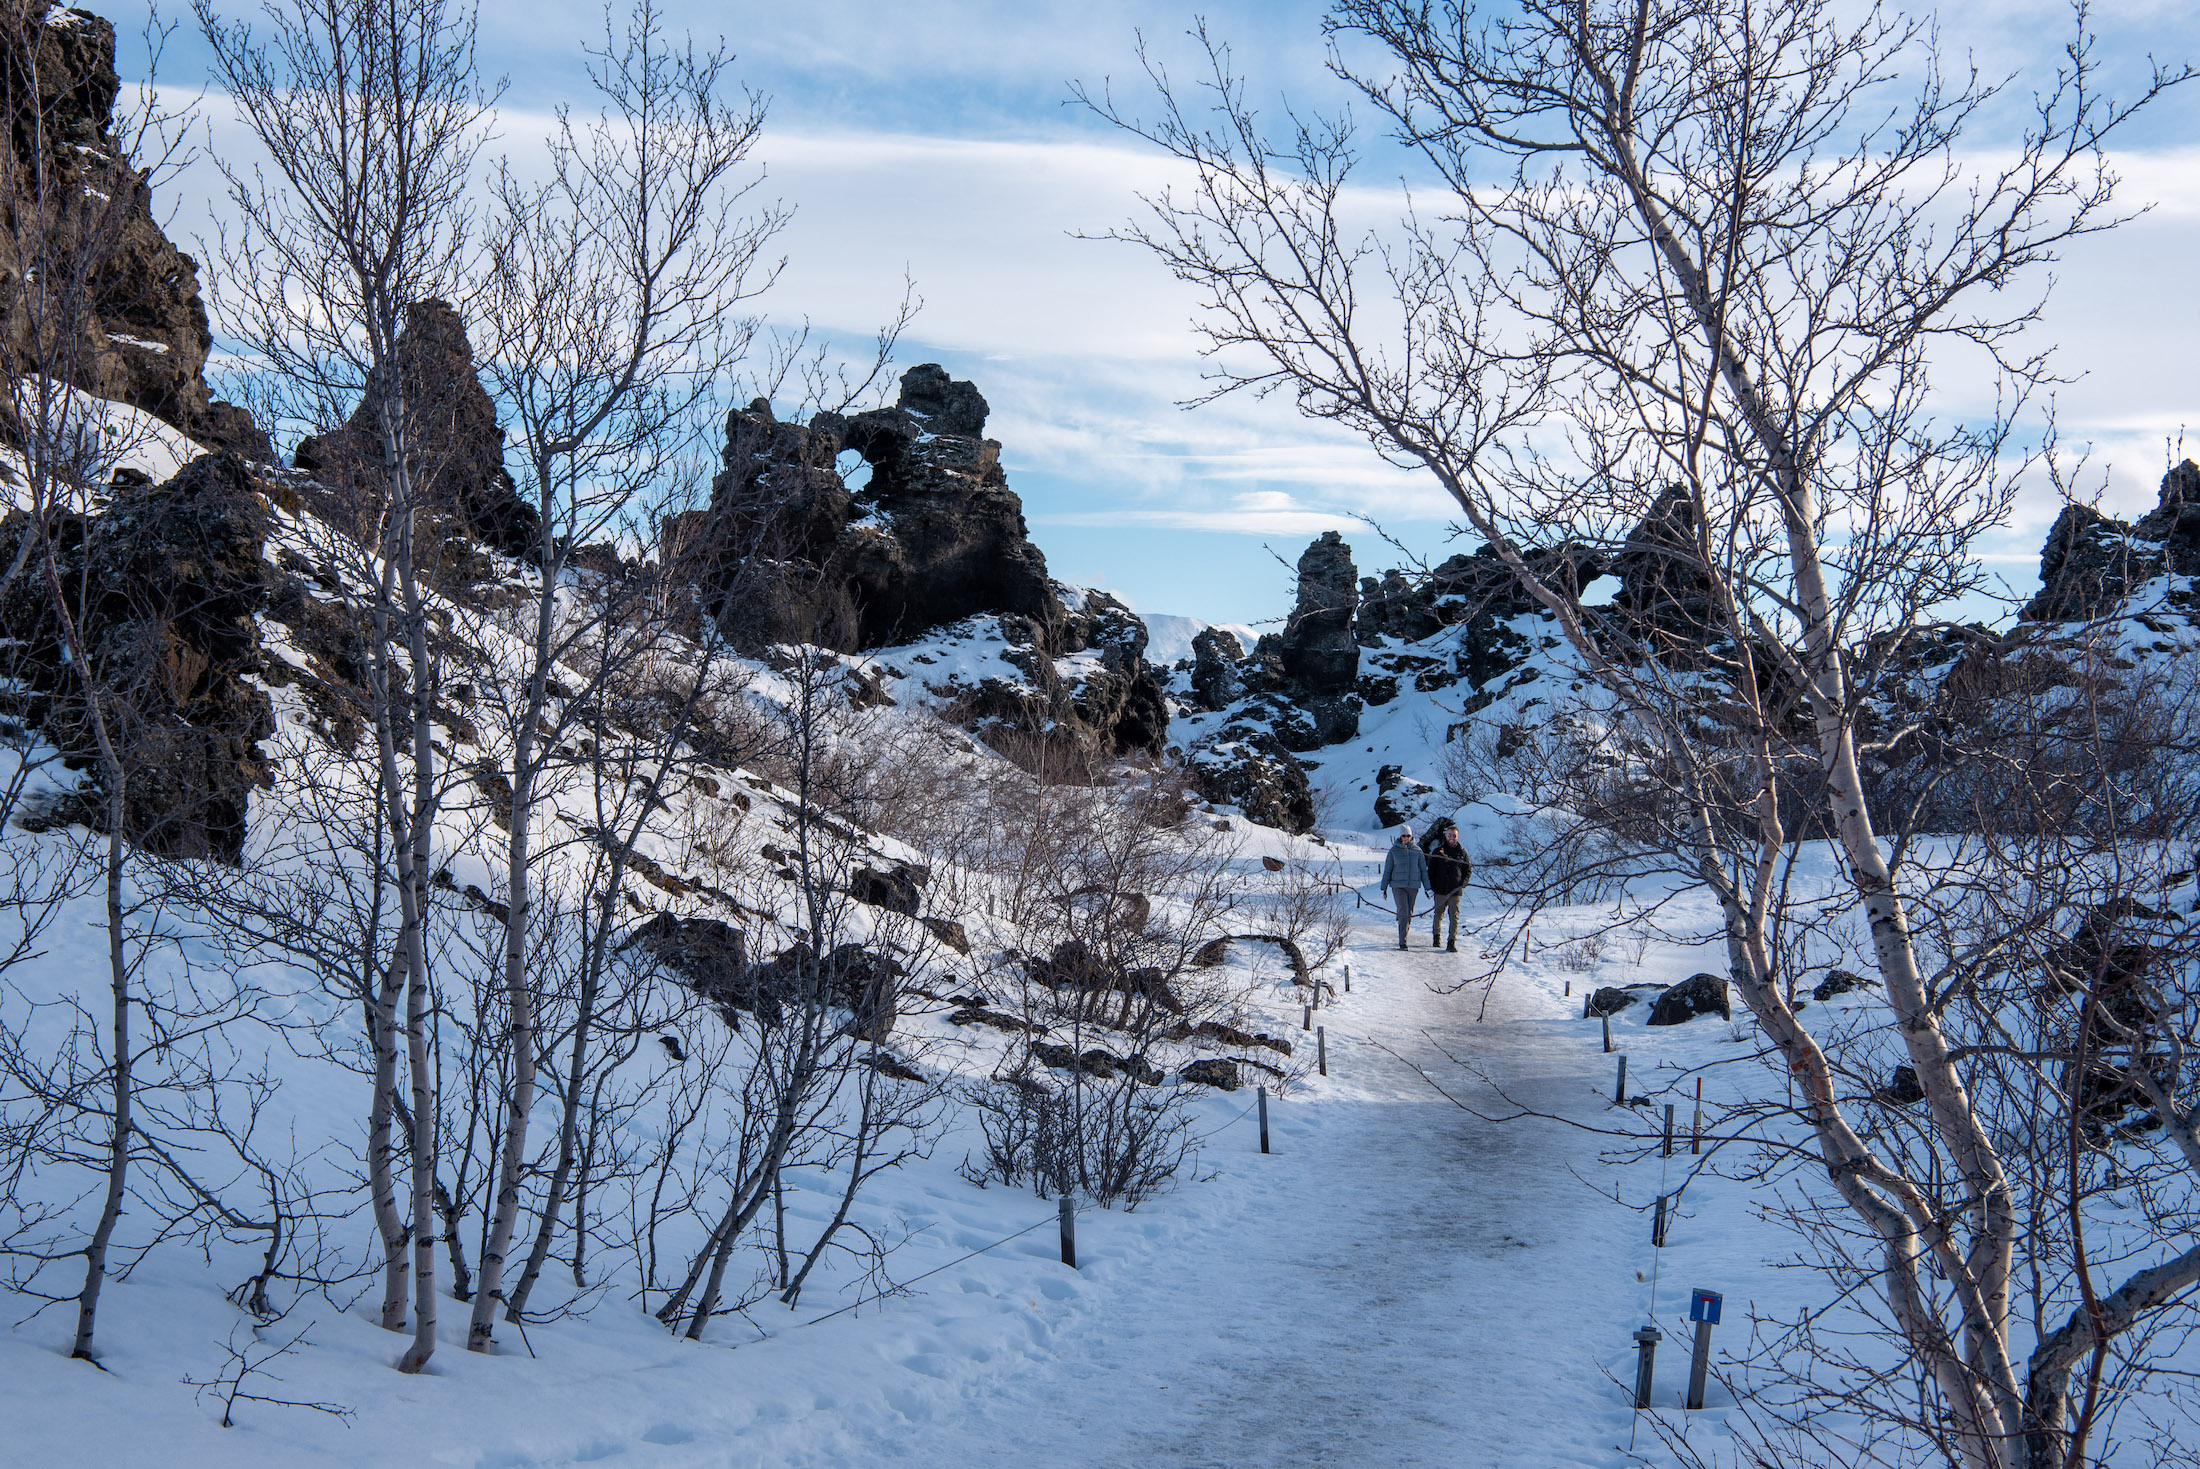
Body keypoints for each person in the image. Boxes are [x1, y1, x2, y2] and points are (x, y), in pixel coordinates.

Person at [1379, 827, 1429, 951]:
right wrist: (1383, 888)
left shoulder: (1417, 851)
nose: (1406, 838)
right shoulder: (1393, 851)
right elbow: (1388, 870)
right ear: (1400, 837)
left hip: (1413, 886)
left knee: (1409, 913)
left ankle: (1403, 929)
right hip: (1398, 886)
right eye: (1403, 836)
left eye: (1408, 836)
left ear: (1411, 836)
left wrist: (1428, 888)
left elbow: (1423, 871)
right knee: (1403, 911)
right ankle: (1403, 941)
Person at [1425, 821, 1472, 952]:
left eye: (1454, 835)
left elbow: (1468, 870)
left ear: (1458, 837)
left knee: (1454, 917)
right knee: (1438, 914)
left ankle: (1451, 941)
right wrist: (1433, 886)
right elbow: (1431, 871)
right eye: (1449, 835)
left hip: (1455, 891)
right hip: (1440, 890)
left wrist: (1463, 883)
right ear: (1446, 836)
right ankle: (1436, 937)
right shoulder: (1438, 851)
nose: (1452, 838)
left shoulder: (1462, 853)